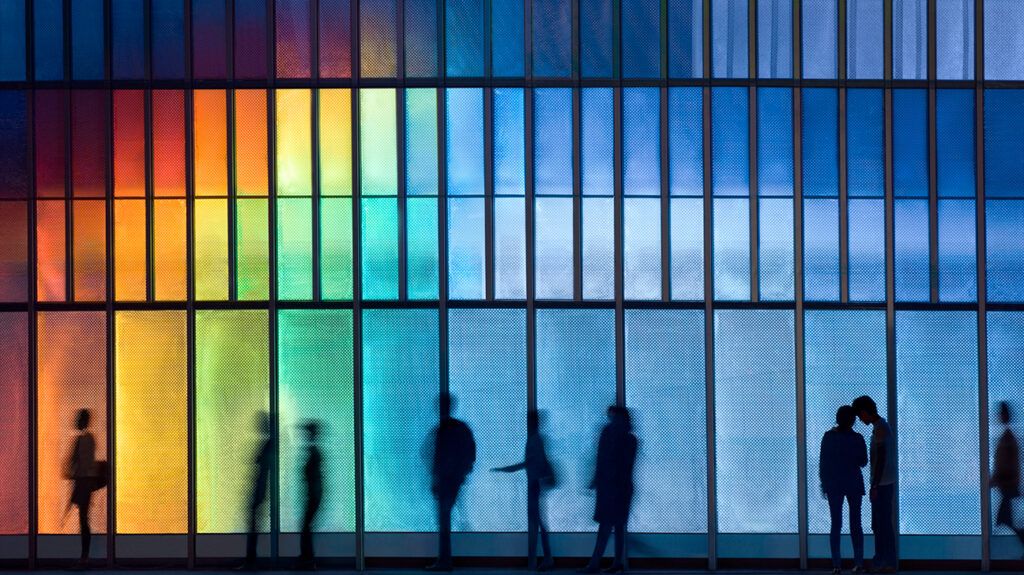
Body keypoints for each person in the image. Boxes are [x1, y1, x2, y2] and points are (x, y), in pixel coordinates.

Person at [492, 410, 557, 571]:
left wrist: (504, 469)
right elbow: (535, 462)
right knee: (538, 522)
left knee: (537, 523)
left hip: (534, 484)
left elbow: (528, 463)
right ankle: (541, 559)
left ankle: (540, 559)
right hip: (536, 484)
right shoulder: (538, 439)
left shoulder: (534, 440)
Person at [581, 406, 638, 574]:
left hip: (612, 487)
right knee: (617, 525)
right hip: (619, 487)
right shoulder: (629, 440)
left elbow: (604, 459)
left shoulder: (614, 436)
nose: (611, 421)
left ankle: (596, 563)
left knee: (607, 524)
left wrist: (597, 479)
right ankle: (615, 562)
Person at [427, 393, 476, 571]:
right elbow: (471, 452)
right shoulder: (461, 428)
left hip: (446, 482)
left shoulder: (443, 429)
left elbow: (438, 458)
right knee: (445, 519)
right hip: (454, 481)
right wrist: (463, 474)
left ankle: (444, 561)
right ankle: (445, 560)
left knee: (444, 520)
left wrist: (436, 478)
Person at [819, 405, 868, 575]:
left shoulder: (828, 437)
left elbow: (823, 462)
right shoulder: (858, 438)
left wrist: (824, 484)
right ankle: (859, 562)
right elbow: (863, 461)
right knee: (856, 524)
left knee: (836, 524)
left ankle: (836, 565)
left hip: (834, 484)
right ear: (853, 421)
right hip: (853, 483)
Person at [852, 395, 897, 573]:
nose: (860, 419)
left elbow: (881, 460)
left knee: (881, 524)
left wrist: (875, 486)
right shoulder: (882, 427)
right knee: (882, 523)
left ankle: (883, 561)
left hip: (883, 484)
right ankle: (885, 561)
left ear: (864, 412)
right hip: (885, 482)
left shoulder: (880, 429)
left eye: (859, 416)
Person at [66, 408, 105, 570]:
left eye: (78, 419)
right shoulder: (91, 439)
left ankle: (84, 557)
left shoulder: (80, 440)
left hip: (82, 483)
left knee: (83, 520)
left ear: (81, 421)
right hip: (88, 483)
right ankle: (85, 556)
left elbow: (71, 463)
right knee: (84, 519)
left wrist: (71, 473)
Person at [240, 411, 274, 570]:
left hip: (259, 491)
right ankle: (251, 560)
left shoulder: (268, 445)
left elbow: (259, 465)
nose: (258, 427)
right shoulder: (268, 444)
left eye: (261, 424)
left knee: (252, 525)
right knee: (253, 524)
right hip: (259, 490)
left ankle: (251, 561)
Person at [991, 402, 1024, 550]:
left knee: (1004, 520)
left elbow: (1008, 464)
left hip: (1008, 485)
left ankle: (990, 551)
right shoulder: (1008, 437)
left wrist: (996, 479)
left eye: (1000, 413)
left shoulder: (1008, 438)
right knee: (1005, 520)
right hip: (1008, 485)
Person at [297, 421, 324, 570]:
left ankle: (307, 560)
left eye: (307, 432)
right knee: (306, 527)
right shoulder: (314, 451)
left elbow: (311, 476)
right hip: (314, 496)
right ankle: (307, 558)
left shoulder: (314, 452)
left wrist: (311, 495)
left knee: (306, 526)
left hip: (313, 496)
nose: (304, 435)